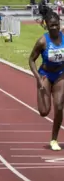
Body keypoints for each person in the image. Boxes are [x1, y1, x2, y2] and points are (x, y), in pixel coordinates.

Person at [28, 11, 64, 151]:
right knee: (44, 111)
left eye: (56, 25)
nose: (54, 28)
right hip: (45, 76)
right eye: (51, 25)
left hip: (61, 74)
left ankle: (54, 139)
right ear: (47, 26)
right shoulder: (42, 41)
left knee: (59, 106)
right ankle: (42, 93)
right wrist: (37, 78)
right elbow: (31, 60)